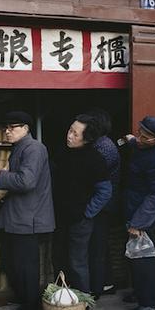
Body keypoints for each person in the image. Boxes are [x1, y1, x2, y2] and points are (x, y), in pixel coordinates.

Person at [0, 111, 55, 310]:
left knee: (26, 265)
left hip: (29, 218)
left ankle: (30, 307)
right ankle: (25, 300)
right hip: (20, 217)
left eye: (13, 127)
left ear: (26, 128)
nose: (7, 131)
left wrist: (1, 177)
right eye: (6, 127)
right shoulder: (21, 147)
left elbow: (27, 181)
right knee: (15, 262)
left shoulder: (34, 149)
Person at [52, 114, 112, 296]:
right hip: (60, 216)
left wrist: (87, 212)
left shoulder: (95, 160)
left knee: (77, 261)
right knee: (58, 257)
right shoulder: (62, 153)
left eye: (75, 134)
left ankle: (82, 299)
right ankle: (61, 297)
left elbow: (105, 192)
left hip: (80, 219)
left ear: (87, 139)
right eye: (70, 130)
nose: (69, 136)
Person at [122, 116, 155, 310]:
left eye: (145, 136)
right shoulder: (146, 145)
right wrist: (133, 141)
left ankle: (150, 304)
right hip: (133, 204)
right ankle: (139, 293)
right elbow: (138, 143)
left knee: (145, 259)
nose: (140, 137)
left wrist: (138, 223)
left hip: (145, 213)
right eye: (139, 132)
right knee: (136, 257)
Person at [89, 108, 121, 299]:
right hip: (104, 202)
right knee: (100, 245)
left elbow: (93, 174)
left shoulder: (105, 147)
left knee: (97, 246)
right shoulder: (100, 144)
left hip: (103, 204)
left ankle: (99, 285)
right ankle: (107, 281)